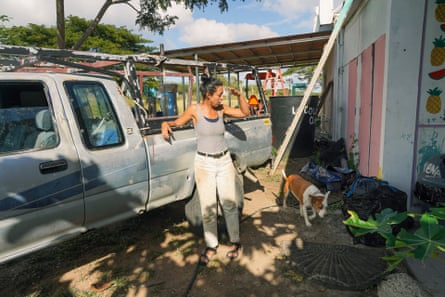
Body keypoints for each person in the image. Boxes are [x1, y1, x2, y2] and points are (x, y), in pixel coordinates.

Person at [161, 75, 250, 266]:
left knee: (229, 204)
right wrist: (165, 124)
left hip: (224, 161)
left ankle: (235, 242)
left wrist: (240, 95)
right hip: (204, 163)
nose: (222, 98)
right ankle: (211, 245)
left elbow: (244, 113)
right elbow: (178, 122)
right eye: (219, 94)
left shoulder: (221, 110)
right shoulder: (195, 110)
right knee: (208, 207)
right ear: (208, 95)